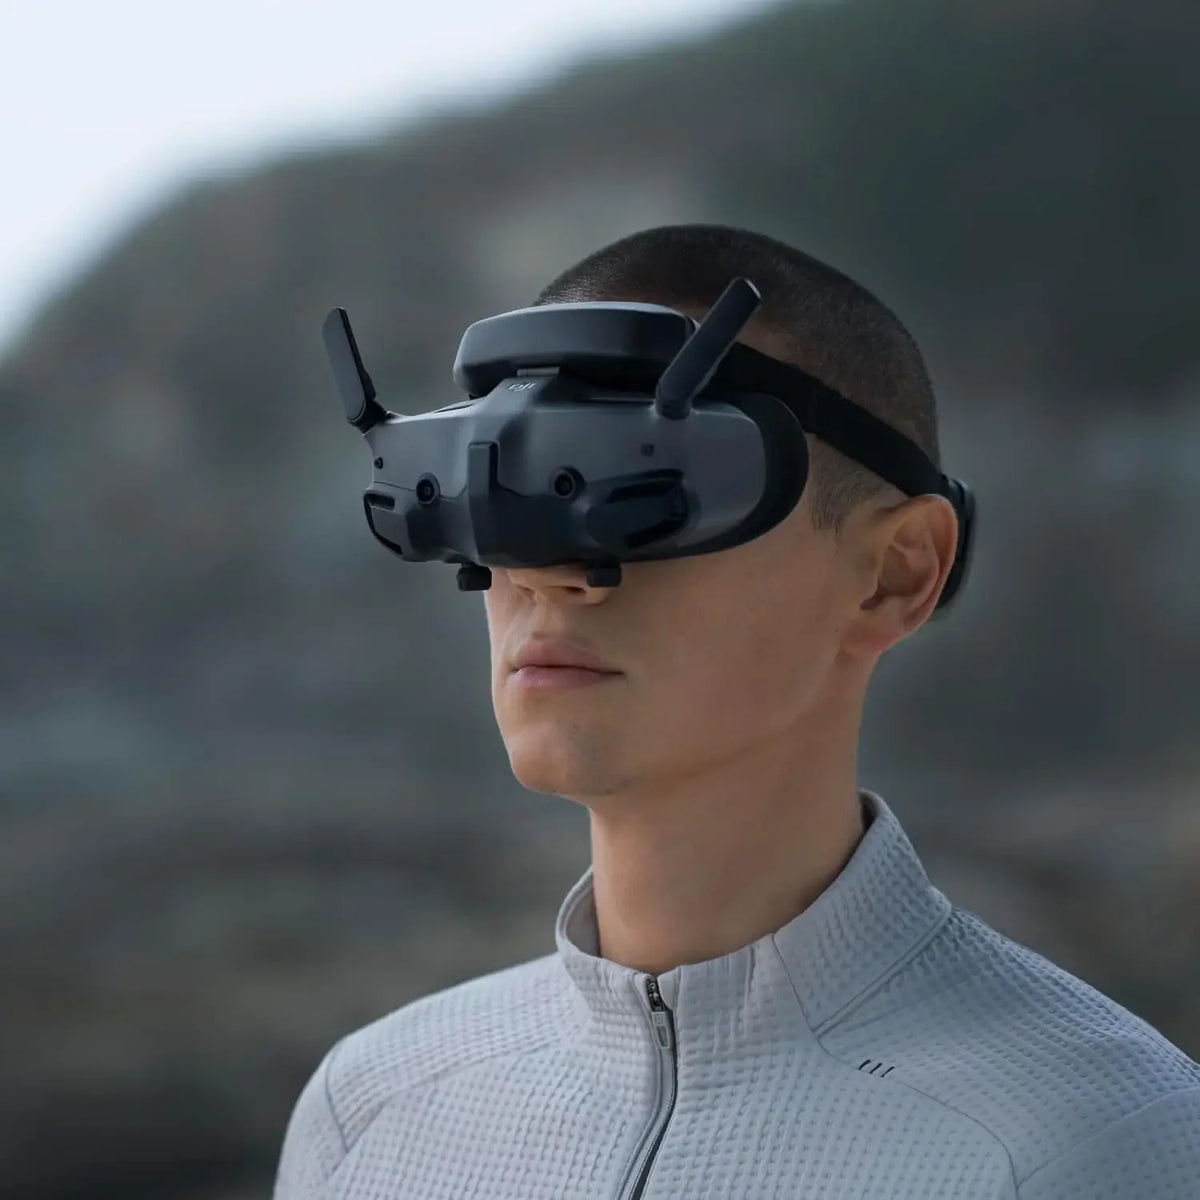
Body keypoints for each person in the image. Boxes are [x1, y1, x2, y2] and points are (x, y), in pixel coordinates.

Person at [274, 225, 1200, 1199]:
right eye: (494, 479)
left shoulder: (1103, 1142)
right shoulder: (368, 1115)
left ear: (895, 572)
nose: (547, 572)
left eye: (649, 484)